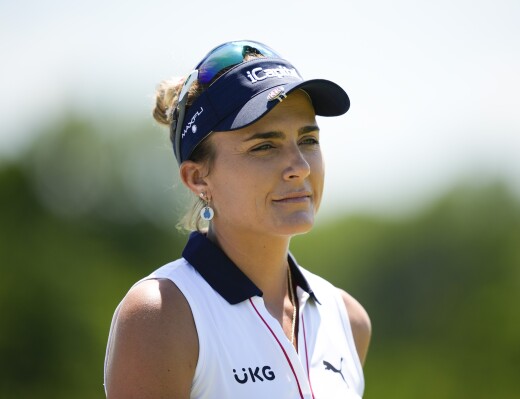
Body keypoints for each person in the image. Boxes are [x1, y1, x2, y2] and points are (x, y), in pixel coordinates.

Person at [104, 40, 371, 398]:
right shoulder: (161, 314)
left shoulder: (348, 319)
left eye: (308, 140)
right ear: (198, 179)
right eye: (264, 146)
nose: (300, 167)